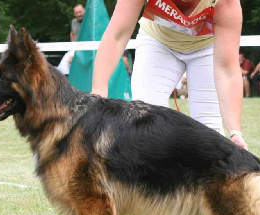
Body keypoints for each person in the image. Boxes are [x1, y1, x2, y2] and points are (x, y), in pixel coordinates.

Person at [91, 0, 248, 151]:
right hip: (158, 41)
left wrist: (235, 132)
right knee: (146, 121)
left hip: (205, 47)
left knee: (209, 130)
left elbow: (227, 70)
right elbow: (116, 35)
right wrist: (98, 90)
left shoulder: (227, 2)